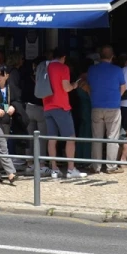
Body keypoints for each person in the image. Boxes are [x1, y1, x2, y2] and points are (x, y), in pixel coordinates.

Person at [43, 47, 84, 179]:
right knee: (70, 138)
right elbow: (66, 87)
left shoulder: (45, 67)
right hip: (61, 106)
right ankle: (71, 169)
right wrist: (74, 85)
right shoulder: (63, 68)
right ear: (63, 57)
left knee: (52, 139)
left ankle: (54, 169)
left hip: (47, 105)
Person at [86, 45, 125, 174]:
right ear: (112, 56)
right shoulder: (118, 70)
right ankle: (111, 167)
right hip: (113, 107)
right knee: (112, 137)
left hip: (96, 106)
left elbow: (89, 87)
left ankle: (95, 166)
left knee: (97, 137)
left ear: (100, 56)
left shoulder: (92, 70)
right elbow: (123, 88)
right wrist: (116, 98)